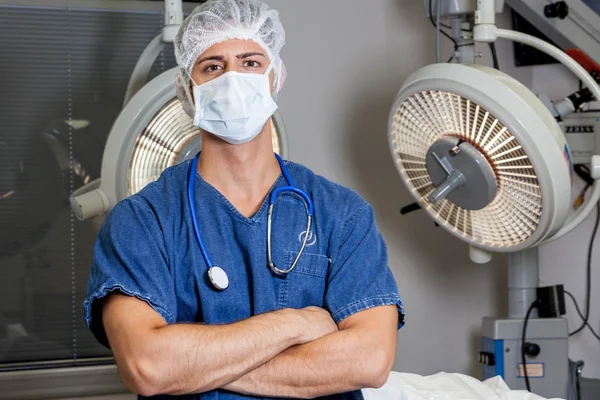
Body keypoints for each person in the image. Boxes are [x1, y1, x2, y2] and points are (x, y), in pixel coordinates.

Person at [84, 0, 405, 399]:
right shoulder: (142, 220)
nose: (232, 78)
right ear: (188, 89)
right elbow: (147, 366)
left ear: (275, 77)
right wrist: (295, 325)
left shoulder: (341, 213)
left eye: (250, 62)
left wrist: (193, 366)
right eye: (213, 67)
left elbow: (370, 360)